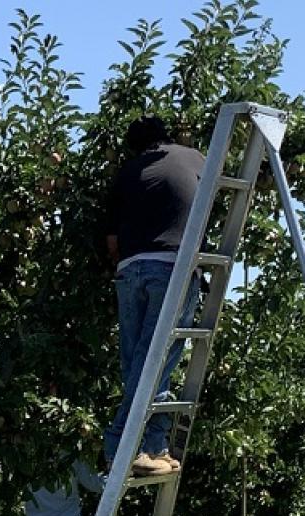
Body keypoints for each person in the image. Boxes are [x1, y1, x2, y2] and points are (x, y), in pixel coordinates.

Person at [102, 115, 205, 477]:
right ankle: (131, 446)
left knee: (136, 363)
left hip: (129, 270)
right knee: (156, 361)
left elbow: (111, 242)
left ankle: (149, 446)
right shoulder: (193, 158)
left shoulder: (128, 173)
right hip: (172, 268)